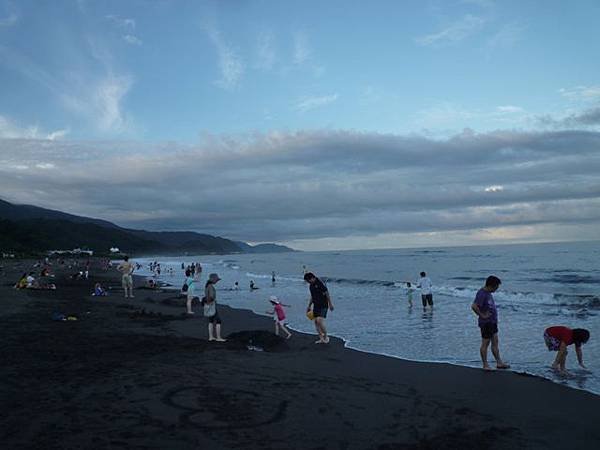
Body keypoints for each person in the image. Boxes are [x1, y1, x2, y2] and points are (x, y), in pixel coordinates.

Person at [471, 275, 510, 370]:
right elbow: (474, 306)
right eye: (496, 287)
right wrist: (482, 315)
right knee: (485, 343)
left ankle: (499, 362)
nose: (496, 289)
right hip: (486, 323)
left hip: (492, 322)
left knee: (495, 342)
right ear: (491, 285)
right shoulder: (482, 294)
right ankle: (485, 364)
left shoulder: (488, 293)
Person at [304, 272, 334, 344]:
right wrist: (309, 306)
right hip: (316, 305)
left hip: (323, 305)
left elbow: (327, 293)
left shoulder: (320, 283)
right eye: (307, 281)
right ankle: (321, 338)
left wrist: (330, 304)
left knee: (319, 320)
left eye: (308, 280)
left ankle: (326, 336)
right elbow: (312, 296)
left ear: (312, 278)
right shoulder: (311, 286)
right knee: (316, 322)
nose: (308, 282)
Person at [204, 273, 226, 342]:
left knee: (211, 320)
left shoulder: (207, 286)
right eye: (216, 280)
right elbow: (211, 296)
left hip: (207, 305)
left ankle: (211, 337)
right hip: (212, 305)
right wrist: (213, 300)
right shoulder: (210, 286)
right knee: (218, 320)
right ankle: (218, 337)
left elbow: (207, 296)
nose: (217, 281)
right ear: (213, 280)